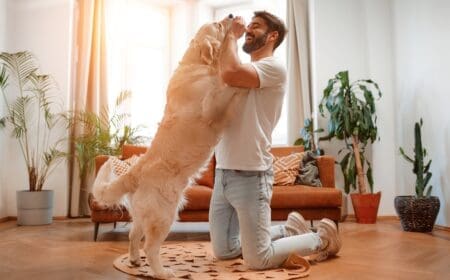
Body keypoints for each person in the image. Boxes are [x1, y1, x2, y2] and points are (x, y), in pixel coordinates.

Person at [209, 11, 342, 270]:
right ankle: (287, 229)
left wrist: (230, 36)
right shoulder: (244, 69)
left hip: (251, 175)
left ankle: (321, 238)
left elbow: (230, 72)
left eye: (255, 26)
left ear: (272, 36)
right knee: (224, 251)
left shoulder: (273, 67)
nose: (247, 29)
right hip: (223, 173)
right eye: (248, 26)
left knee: (258, 260)